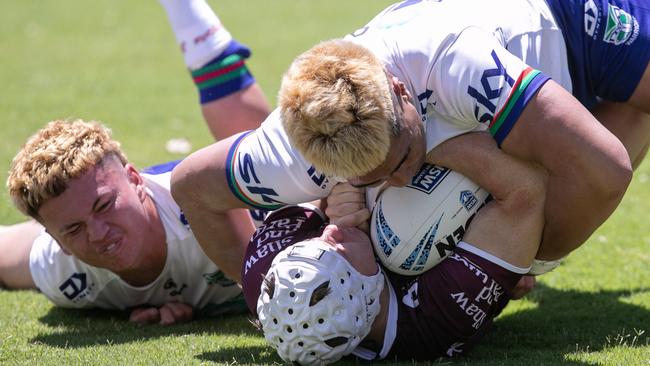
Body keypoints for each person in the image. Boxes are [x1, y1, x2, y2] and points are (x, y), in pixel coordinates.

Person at [171, 0, 647, 279]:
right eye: (373, 178)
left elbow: (604, 169)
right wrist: (256, 291)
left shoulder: (456, 64)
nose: (401, 179)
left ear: (401, 92)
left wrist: (517, 266)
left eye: (400, 158)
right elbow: (191, 186)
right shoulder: (286, 153)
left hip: (556, 23)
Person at [244, 131, 548, 364]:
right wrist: (410, 147)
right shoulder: (436, 321)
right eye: (338, 253)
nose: (329, 232)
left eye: (315, 244)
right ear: (367, 295)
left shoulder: (268, 269)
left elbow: (316, 169)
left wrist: (340, 185)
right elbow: (527, 188)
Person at [0, 120, 257, 325]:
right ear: (57, 240)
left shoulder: (227, 208)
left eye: (104, 206)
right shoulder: (62, 272)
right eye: (74, 228)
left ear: (135, 179)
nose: (98, 234)